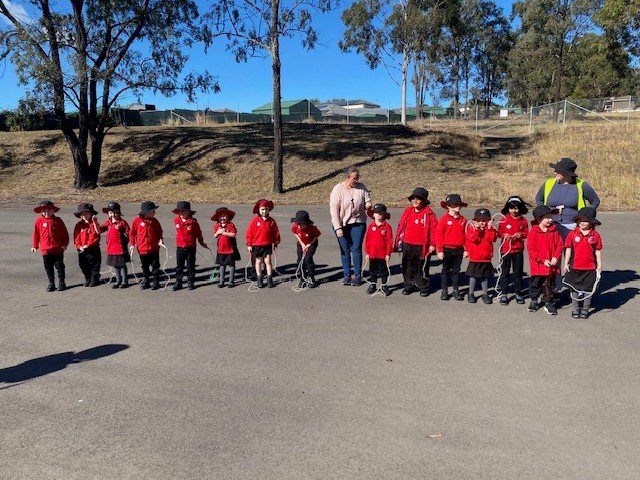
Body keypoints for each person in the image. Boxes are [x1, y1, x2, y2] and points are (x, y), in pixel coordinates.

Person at [535, 157, 600, 241]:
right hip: (551, 225)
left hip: (572, 226)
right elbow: (539, 198)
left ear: (566, 173)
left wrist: (585, 215)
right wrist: (544, 214)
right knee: (551, 252)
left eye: (557, 171)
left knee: (571, 252)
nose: (554, 172)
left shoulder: (581, 185)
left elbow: (595, 201)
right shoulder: (548, 183)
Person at [330, 166, 372, 286]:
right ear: (347, 178)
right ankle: (347, 275)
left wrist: (368, 204)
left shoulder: (361, 187)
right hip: (342, 224)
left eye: (358, 178)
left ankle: (358, 275)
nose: (357, 180)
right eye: (354, 178)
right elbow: (334, 210)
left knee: (356, 248)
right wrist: (338, 228)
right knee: (345, 250)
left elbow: (367, 199)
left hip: (358, 223)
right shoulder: (337, 190)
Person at [394, 187, 437, 297]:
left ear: (424, 201)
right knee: (407, 266)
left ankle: (423, 287)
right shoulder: (408, 211)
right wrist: (399, 240)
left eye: (418, 199)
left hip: (422, 246)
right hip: (407, 243)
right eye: (413, 198)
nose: (415, 201)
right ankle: (409, 285)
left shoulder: (429, 214)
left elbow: (433, 231)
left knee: (420, 267)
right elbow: (401, 226)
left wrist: (432, 244)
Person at [563, 207, 603, 319]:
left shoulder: (595, 235)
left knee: (588, 290)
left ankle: (585, 309)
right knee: (574, 288)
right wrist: (566, 263)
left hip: (590, 268)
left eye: (585, 221)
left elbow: (597, 251)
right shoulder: (572, 234)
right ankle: (575, 309)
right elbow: (568, 249)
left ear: (591, 222)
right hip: (575, 267)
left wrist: (599, 265)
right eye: (580, 220)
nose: (582, 223)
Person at [527, 205, 564, 315]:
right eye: (547, 217)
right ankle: (534, 300)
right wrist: (542, 260)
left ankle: (548, 302)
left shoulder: (554, 230)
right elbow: (531, 249)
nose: (550, 220)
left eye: (550, 217)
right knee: (536, 284)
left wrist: (555, 257)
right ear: (539, 219)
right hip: (539, 266)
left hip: (552, 265)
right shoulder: (534, 232)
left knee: (550, 285)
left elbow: (560, 244)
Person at [496, 196, 530, 305]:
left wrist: (520, 234)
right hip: (506, 250)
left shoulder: (523, 220)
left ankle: (518, 293)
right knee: (504, 272)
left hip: (518, 250)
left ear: (520, 208)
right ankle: (504, 293)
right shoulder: (503, 219)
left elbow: (526, 232)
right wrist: (504, 235)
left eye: (516, 208)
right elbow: (498, 233)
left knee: (517, 273)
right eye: (511, 208)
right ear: (508, 208)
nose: (514, 211)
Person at [435, 194, 468, 301]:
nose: (458, 206)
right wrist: (439, 250)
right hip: (447, 249)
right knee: (445, 270)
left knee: (456, 271)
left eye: (459, 204)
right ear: (448, 206)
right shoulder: (444, 220)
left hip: (459, 250)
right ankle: (444, 291)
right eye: (455, 204)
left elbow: (467, 236)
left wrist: (467, 249)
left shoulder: (463, 220)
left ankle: (455, 290)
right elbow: (438, 236)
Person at [31, 200, 69, 292]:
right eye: (44, 211)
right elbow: (36, 234)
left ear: (53, 211)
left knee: (60, 267)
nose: (46, 212)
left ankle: (61, 283)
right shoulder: (39, 221)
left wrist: (65, 244)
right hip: (45, 249)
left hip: (58, 249)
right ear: (41, 212)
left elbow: (64, 233)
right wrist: (35, 246)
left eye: (48, 210)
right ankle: (51, 283)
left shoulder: (58, 220)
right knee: (48, 268)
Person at [465, 208, 499, 304]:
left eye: (484, 220)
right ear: (475, 221)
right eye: (479, 220)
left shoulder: (491, 230)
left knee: (484, 277)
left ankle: (485, 294)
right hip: (475, 257)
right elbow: (475, 240)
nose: (482, 223)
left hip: (486, 258)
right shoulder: (471, 229)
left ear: (489, 221)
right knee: (473, 276)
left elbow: (491, 239)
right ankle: (471, 293)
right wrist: (477, 230)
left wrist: (489, 228)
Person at [245, 199, 281, 288]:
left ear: (268, 210)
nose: (264, 211)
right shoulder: (254, 221)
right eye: (262, 209)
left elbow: (276, 232)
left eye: (266, 209)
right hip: (257, 245)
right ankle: (259, 279)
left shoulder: (271, 221)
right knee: (258, 261)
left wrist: (276, 242)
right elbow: (249, 233)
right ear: (259, 210)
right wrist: (249, 244)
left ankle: (269, 279)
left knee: (268, 261)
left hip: (267, 245)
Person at [172, 201, 207, 291]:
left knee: (190, 266)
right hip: (180, 247)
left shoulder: (193, 222)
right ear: (178, 212)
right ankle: (178, 282)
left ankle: (190, 281)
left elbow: (199, 233)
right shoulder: (176, 221)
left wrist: (201, 242)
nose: (183, 213)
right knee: (179, 266)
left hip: (190, 247)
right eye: (181, 211)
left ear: (189, 212)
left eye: (185, 211)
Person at [130, 201, 164, 291]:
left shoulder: (155, 221)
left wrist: (160, 240)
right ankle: (146, 281)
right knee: (145, 267)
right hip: (142, 249)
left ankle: (156, 282)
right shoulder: (137, 221)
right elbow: (132, 233)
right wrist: (132, 244)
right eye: (153, 211)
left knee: (155, 266)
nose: (154, 213)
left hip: (154, 248)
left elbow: (159, 232)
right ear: (147, 212)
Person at [98, 202, 131, 289]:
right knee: (115, 265)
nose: (113, 214)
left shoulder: (122, 222)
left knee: (122, 265)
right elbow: (99, 230)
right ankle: (118, 281)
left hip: (120, 248)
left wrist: (129, 243)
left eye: (115, 212)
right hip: (111, 248)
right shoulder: (108, 223)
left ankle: (125, 281)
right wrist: (94, 222)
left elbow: (129, 233)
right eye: (111, 212)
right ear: (108, 214)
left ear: (119, 213)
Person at [364, 204, 393, 296]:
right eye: (376, 213)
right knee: (373, 270)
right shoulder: (371, 226)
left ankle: (384, 285)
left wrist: (388, 254)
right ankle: (373, 285)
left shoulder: (387, 227)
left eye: (381, 213)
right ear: (373, 214)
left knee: (383, 271)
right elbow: (367, 240)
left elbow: (389, 241)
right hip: (372, 254)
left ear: (384, 214)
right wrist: (367, 252)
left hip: (382, 254)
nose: (378, 215)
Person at [72, 203, 101, 287]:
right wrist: (79, 246)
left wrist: (87, 245)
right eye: (82, 214)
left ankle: (94, 278)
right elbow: (76, 237)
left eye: (86, 213)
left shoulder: (94, 224)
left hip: (93, 249)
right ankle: (87, 278)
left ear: (91, 214)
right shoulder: (79, 225)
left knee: (94, 265)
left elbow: (94, 237)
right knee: (83, 265)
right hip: (82, 249)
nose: (84, 215)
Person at [290, 210, 321, 288]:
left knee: (308, 259)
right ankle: (302, 278)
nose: (300, 226)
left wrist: (308, 245)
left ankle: (311, 278)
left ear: (306, 223)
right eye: (298, 223)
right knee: (300, 260)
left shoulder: (312, 228)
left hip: (311, 243)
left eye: (302, 224)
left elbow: (317, 236)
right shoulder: (295, 226)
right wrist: (302, 244)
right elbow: (295, 233)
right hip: (301, 243)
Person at [212, 207, 240, 288]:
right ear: (218, 217)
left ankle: (231, 281)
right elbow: (215, 235)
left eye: (224, 216)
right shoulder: (217, 225)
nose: (223, 218)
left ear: (228, 216)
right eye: (220, 216)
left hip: (230, 249)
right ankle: (221, 281)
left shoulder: (230, 225)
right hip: (221, 250)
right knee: (222, 265)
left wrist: (223, 232)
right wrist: (218, 232)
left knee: (231, 265)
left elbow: (233, 234)